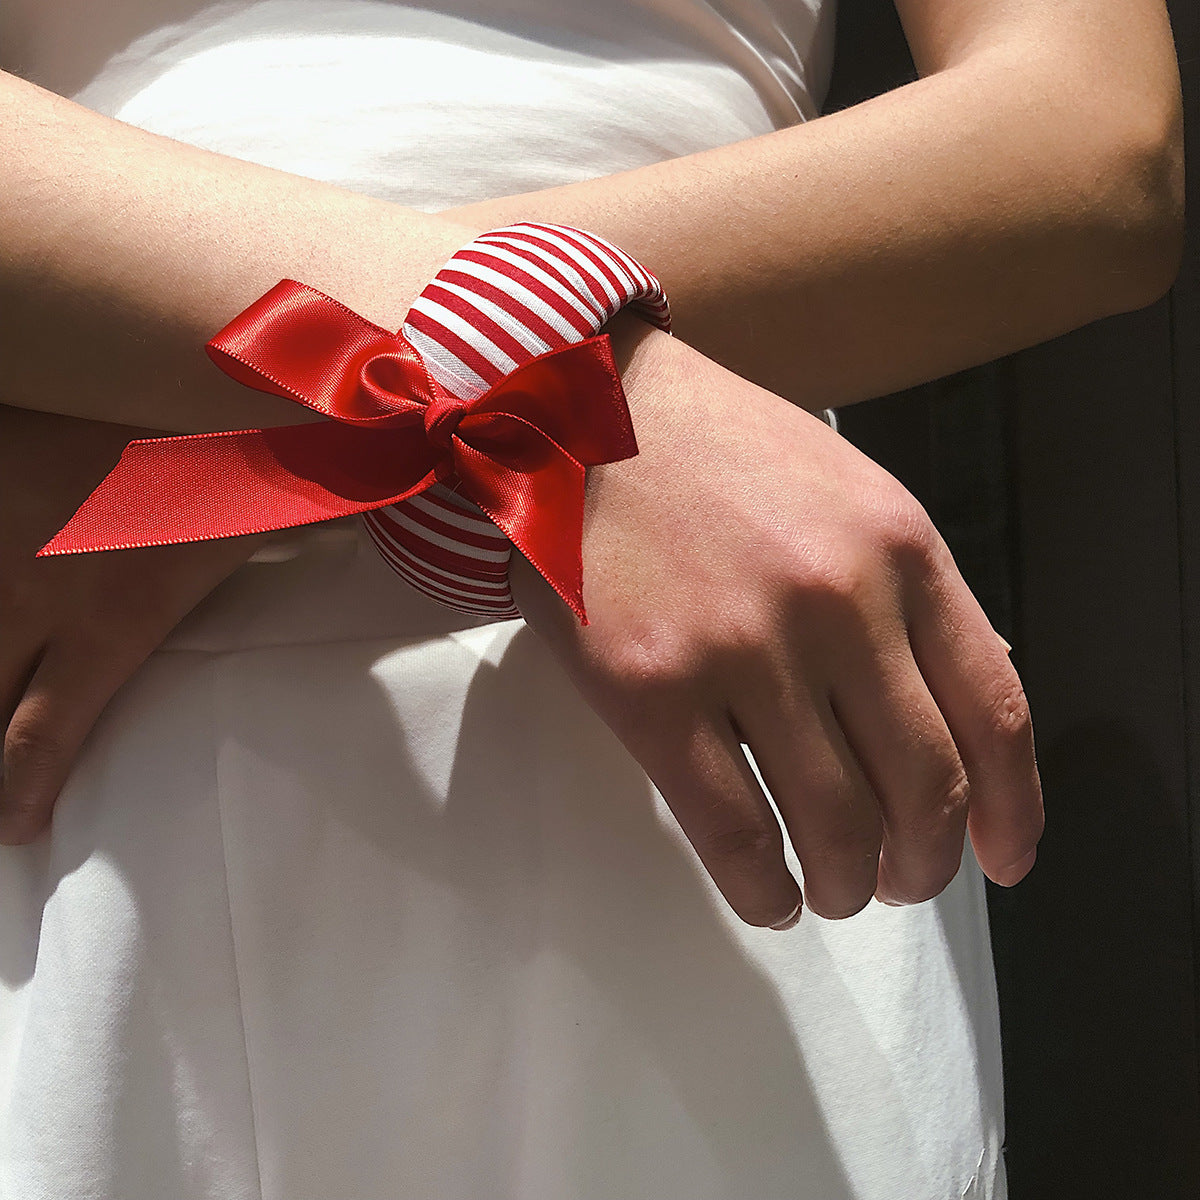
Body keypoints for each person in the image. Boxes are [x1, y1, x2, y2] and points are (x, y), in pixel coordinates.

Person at [0, 1, 1181, 1197]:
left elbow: (1093, 143)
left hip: (715, 630)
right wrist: (521, 366)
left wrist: (249, 445)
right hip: (106, 683)